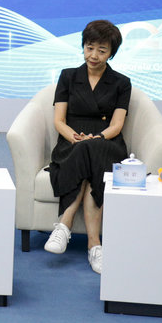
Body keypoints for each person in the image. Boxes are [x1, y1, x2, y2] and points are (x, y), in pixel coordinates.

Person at [42, 20, 130, 274]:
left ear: (111, 53)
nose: (93, 55)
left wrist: (96, 138)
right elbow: (59, 120)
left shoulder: (121, 82)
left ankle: (64, 225)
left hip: (107, 142)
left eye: (102, 50)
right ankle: (95, 245)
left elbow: (117, 125)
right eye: (89, 48)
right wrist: (74, 138)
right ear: (83, 47)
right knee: (86, 154)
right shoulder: (68, 76)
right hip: (71, 141)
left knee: (91, 151)